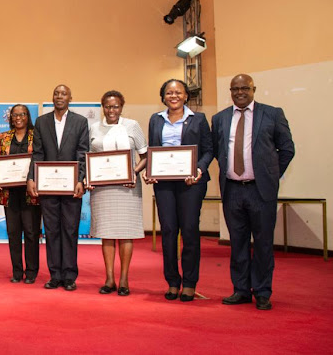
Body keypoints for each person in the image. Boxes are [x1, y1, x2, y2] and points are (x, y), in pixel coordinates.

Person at [212, 74, 295, 311]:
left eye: (244, 88)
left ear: (253, 89)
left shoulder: (272, 114)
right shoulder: (219, 119)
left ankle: (262, 291)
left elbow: (287, 149)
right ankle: (240, 290)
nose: (239, 92)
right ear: (230, 91)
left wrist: (270, 175)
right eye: (235, 89)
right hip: (233, 191)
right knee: (237, 243)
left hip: (261, 191)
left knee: (263, 243)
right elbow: (219, 152)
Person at [145, 79, 213, 302]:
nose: (173, 96)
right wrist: (150, 171)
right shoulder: (156, 120)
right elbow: (153, 149)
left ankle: (190, 283)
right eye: (168, 92)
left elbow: (209, 150)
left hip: (191, 183)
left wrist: (200, 169)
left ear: (186, 96)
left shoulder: (199, 119)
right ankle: (173, 282)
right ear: (163, 96)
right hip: (164, 183)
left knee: (190, 230)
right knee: (168, 232)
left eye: (178, 92)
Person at [27, 84, 89, 291]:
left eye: (63, 94)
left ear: (70, 98)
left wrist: (80, 179)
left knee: (70, 230)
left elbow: (82, 153)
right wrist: (31, 179)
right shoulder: (41, 122)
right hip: (48, 185)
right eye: (56, 93)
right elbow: (37, 154)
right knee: (51, 230)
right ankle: (55, 274)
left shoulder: (80, 122)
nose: (59, 96)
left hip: (72, 186)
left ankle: (69, 275)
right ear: (52, 97)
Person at [87, 91, 147, 296]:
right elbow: (88, 157)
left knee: (126, 233)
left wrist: (133, 173)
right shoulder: (94, 128)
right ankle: (109, 278)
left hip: (127, 187)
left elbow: (145, 156)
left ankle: (124, 280)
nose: (111, 110)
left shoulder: (132, 126)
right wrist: (90, 178)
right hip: (102, 189)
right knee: (107, 234)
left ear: (121, 107)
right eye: (107, 106)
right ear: (102, 107)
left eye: (115, 107)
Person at [0, 104, 41, 284]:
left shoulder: (36, 136)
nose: (18, 117)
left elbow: (40, 159)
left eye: (22, 114)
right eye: (15, 115)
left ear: (27, 116)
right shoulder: (4, 137)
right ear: (10, 117)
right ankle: (17, 271)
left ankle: (31, 271)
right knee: (13, 233)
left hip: (31, 193)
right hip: (10, 193)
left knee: (31, 233)